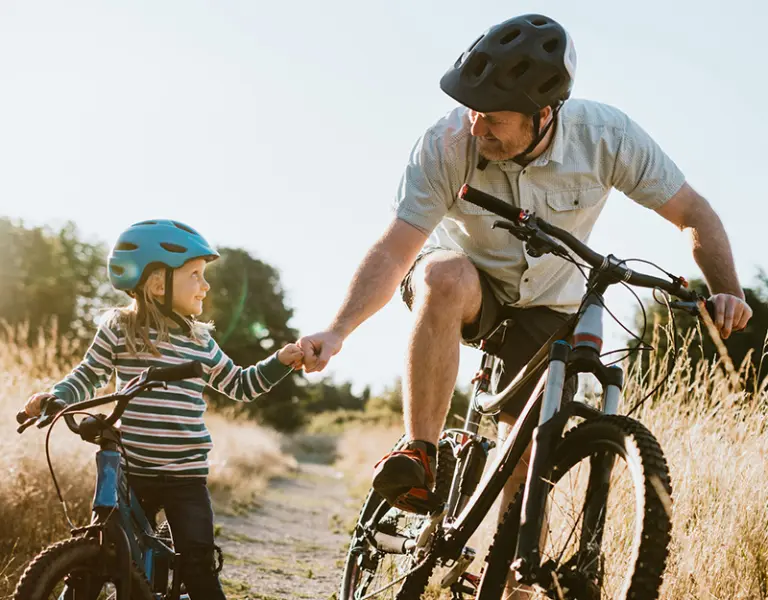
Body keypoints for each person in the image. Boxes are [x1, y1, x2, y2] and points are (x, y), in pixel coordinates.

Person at [23, 219, 303, 600]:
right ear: (159, 284)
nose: (205, 285)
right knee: (109, 554)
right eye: (196, 275)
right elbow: (88, 374)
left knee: (198, 568)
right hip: (132, 469)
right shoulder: (118, 329)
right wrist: (54, 396)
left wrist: (280, 361)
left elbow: (241, 384)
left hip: (185, 477)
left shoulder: (199, 340)